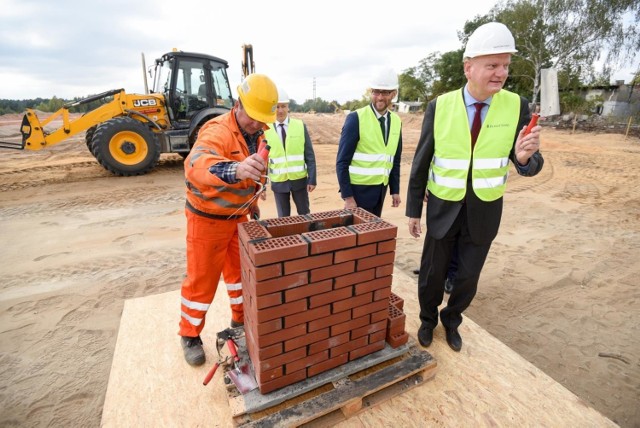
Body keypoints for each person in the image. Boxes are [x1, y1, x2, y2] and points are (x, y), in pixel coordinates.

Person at [406, 22, 544, 352]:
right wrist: (413, 211)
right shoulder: (439, 106)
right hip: (443, 207)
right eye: (492, 65)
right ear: (469, 68)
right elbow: (421, 162)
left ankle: (452, 321)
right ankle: (427, 321)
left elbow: (530, 162)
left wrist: (525, 158)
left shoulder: (517, 106)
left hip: (484, 210)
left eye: (506, 66)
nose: (501, 73)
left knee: (467, 278)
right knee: (432, 274)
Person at [178, 73, 278, 366]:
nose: (258, 124)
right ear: (238, 104)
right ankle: (189, 334)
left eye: (263, 120)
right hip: (207, 221)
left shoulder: (258, 137)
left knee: (240, 277)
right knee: (202, 282)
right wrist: (235, 170)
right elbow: (196, 165)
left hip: (239, 219)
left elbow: (256, 177)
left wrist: (255, 204)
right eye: (254, 117)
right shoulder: (217, 131)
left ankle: (239, 320)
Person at [336, 68, 402, 217]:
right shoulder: (356, 118)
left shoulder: (396, 121)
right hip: (358, 193)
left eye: (385, 93)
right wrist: (348, 197)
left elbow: (394, 160)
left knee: (374, 237)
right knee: (358, 238)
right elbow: (342, 162)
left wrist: (395, 190)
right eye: (375, 92)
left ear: (394, 94)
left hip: (380, 191)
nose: (379, 97)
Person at [264, 88, 317, 217]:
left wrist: (312, 179)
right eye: (277, 107)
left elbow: (309, 154)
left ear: (288, 107)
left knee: (304, 215)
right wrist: (262, 186)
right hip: (279, 183)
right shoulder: (265, 129)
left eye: (283, 106)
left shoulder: (299, 125)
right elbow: (262, 161)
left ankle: (306, 237)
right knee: (283, 219)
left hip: (299, 181)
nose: (280, 110)